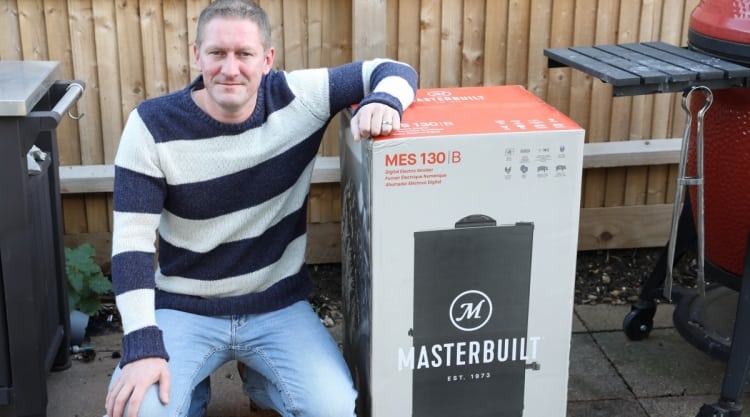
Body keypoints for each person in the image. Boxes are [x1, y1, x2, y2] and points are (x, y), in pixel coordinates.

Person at [103, 0, 417, 416]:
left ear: (267, 59)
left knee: (335, 409)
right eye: (217, 53)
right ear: (197, 55)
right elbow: (131, 244)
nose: (230, 68)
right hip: (184, 307)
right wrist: (143, 345)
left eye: (244, 54)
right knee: (138, 411)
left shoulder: (298, 99)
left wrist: (385, 102)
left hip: (276, 305)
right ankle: (189, 386)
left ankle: (263, 380)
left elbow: (394, 70)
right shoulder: (151, 126)